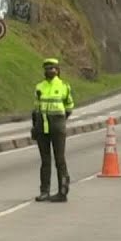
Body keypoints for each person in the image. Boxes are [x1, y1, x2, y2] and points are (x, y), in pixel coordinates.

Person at [31, 57, 74, 202]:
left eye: (52, 68)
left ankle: (63, 192)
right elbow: (36, 109)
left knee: (60, 160)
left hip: (57, 127)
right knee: (45, 161)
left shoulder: (64, 86)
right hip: (42, 127)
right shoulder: (39, 87)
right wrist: (35, 127)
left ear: (58, 70)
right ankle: (44, 191)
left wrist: (61, 121)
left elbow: (69, 106)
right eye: (47, 68)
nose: (49, 71)